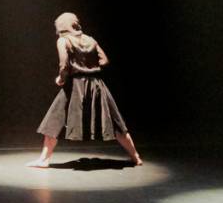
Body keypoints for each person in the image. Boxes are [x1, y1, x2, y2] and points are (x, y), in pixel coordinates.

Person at [27, 12, 142, 168]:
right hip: (96, 85)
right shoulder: (90, 39)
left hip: (75, 85)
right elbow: (105, 60)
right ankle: (136, 157)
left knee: (54, 121)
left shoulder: (63, 41)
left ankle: (44, 159)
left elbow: (64, 65)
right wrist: (91, 68)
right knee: (116, 122)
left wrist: (61, 79)